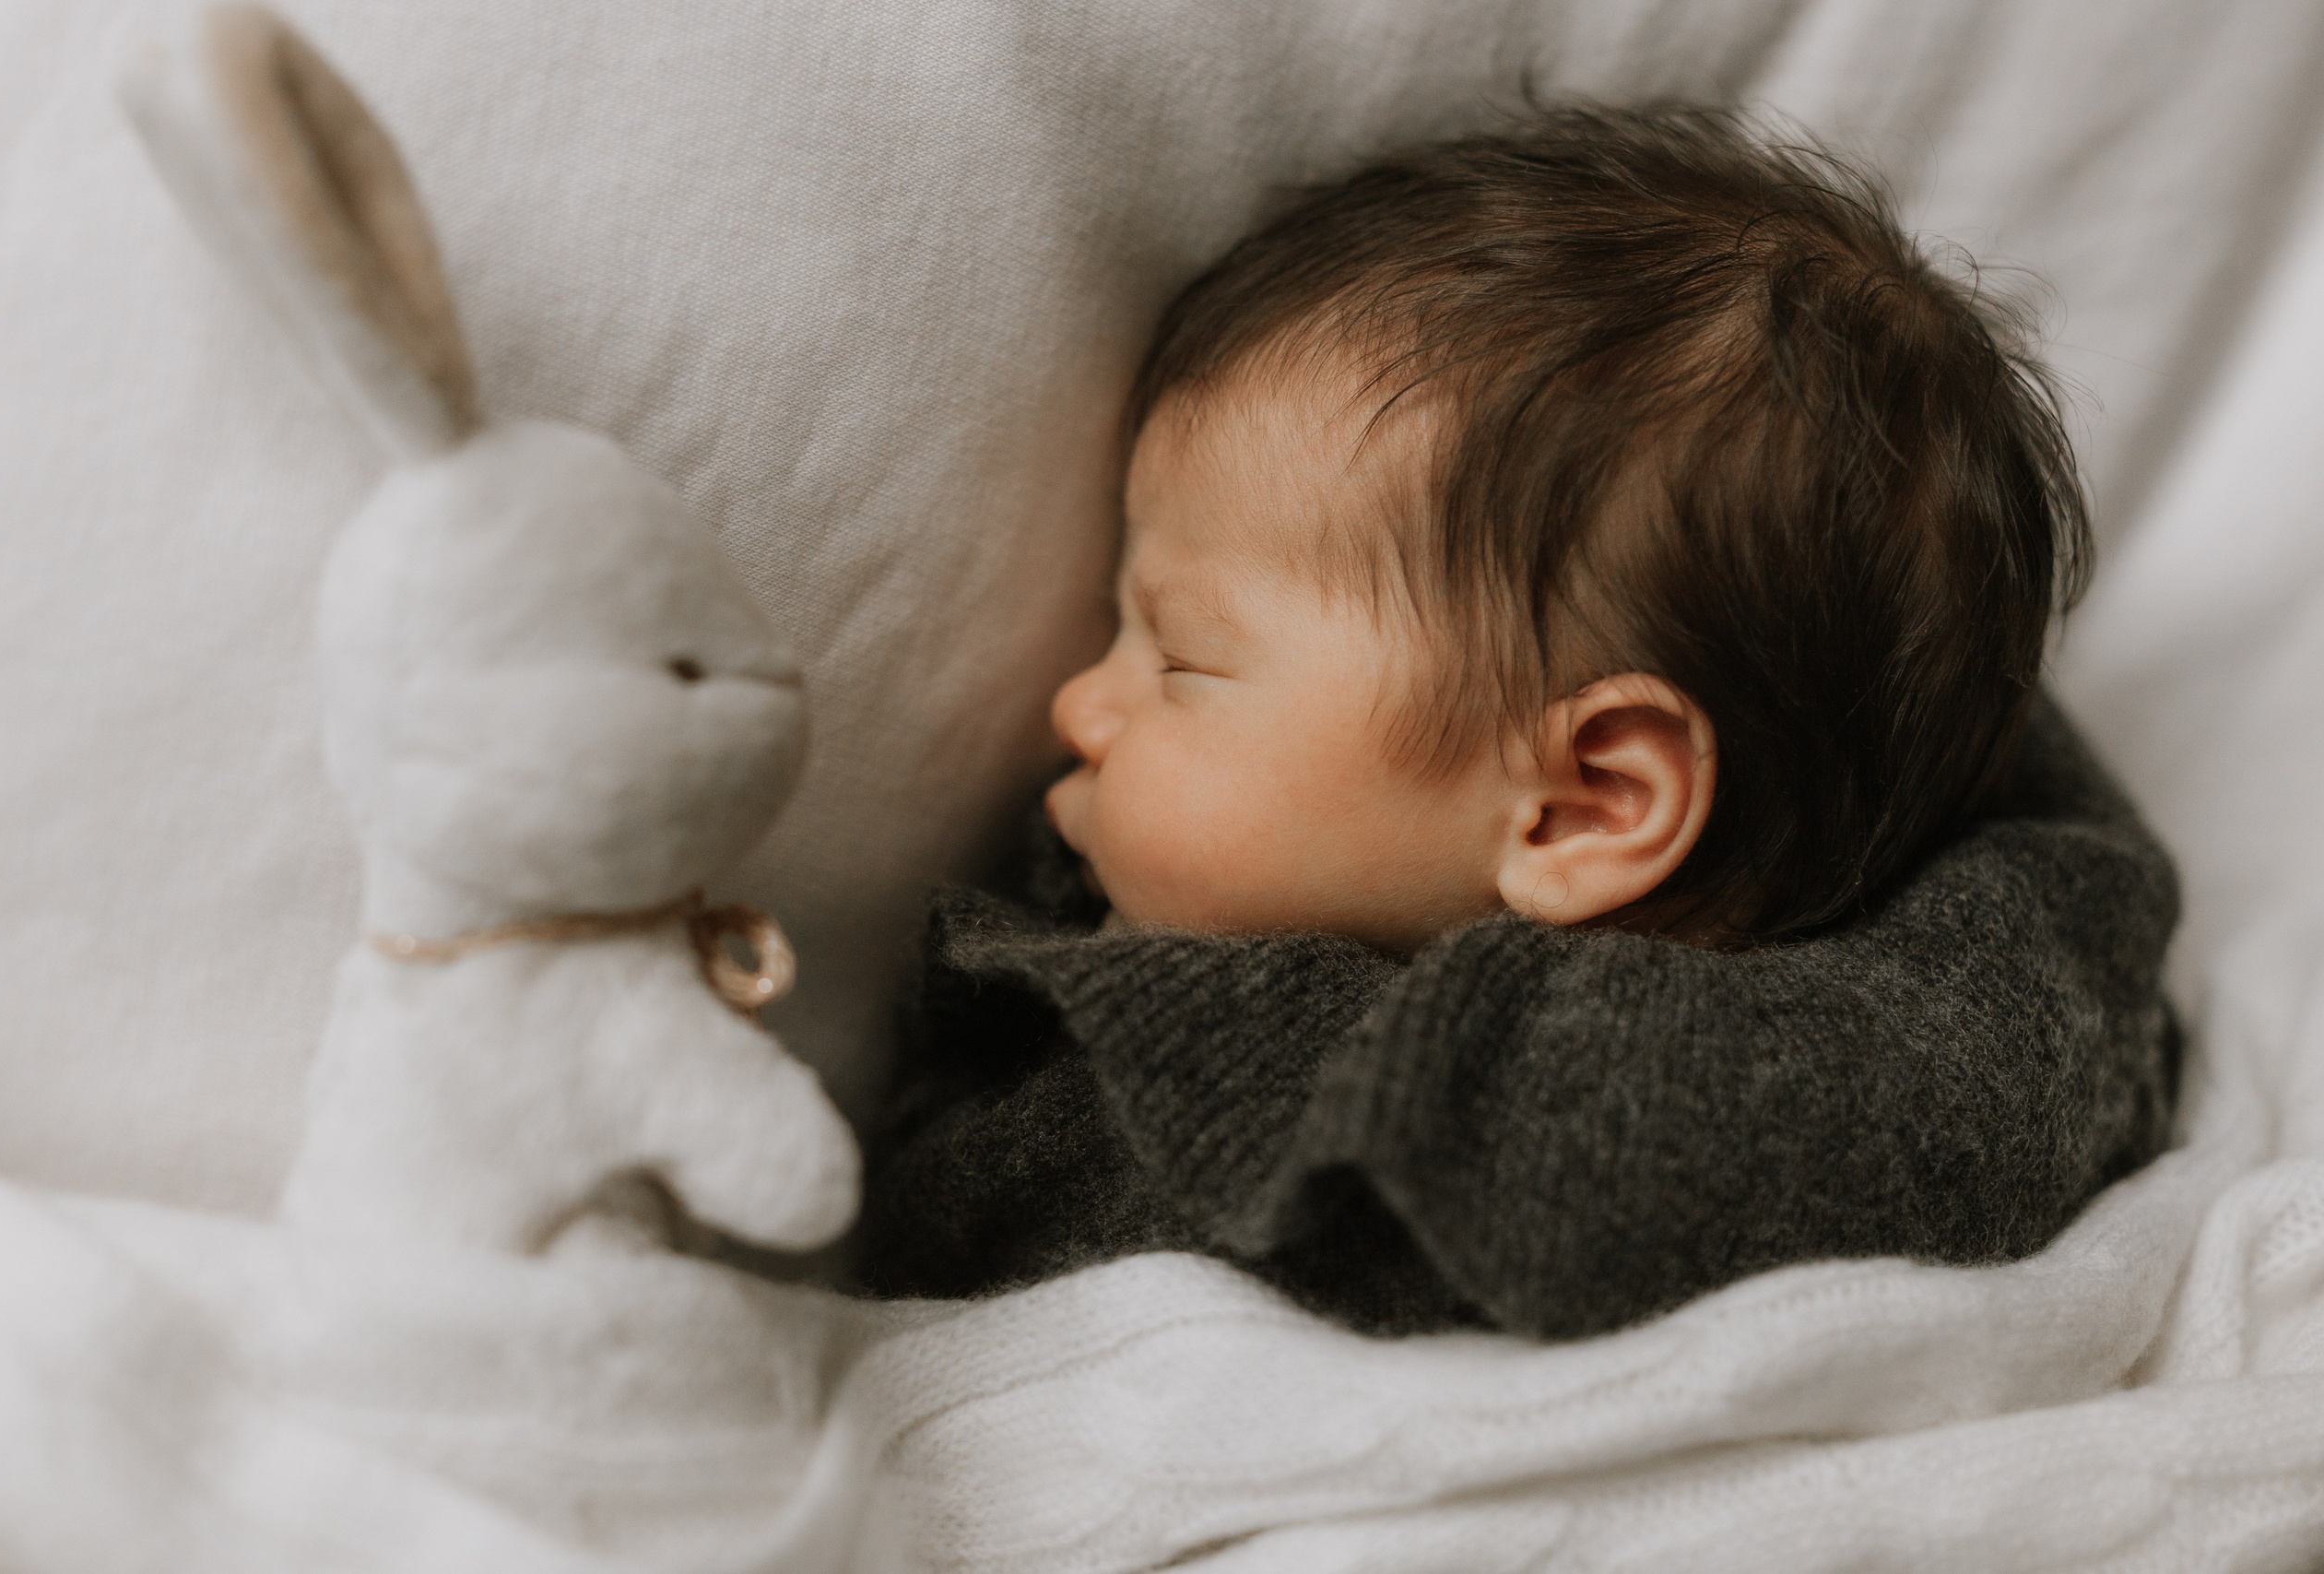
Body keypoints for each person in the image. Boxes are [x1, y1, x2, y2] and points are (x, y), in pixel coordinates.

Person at [853, 106, 2179, 1340]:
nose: (1077, 706)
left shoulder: (1790, 1106)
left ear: (1587, 803)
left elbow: (996, 1219)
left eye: (1182, 659)